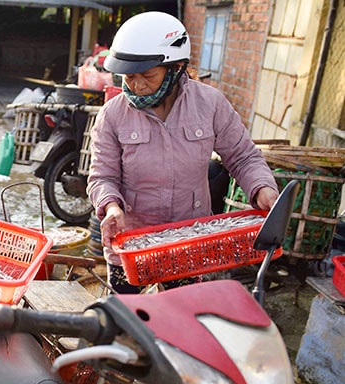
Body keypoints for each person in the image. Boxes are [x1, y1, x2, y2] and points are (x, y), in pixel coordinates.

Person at [86, 11, 279, 294]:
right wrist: (111, 206)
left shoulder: (210, 104)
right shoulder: (112, 116)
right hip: (131, 246)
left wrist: (262, 188)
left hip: (189, 243)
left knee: (183, 318)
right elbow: (102, 177)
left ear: (175, 68)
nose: (137, 85)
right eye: (129, 77)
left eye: (147, 75)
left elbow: (242, 156)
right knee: (129, 323)